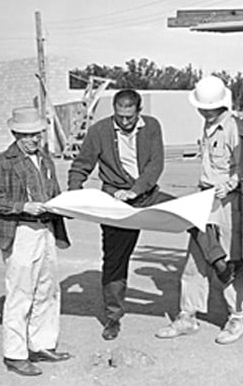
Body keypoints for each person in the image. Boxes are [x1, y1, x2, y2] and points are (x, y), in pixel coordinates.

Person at [67, 89, 173, 341]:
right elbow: (81, 165)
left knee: (195, 216)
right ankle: (113, 318)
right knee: (116, 260)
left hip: (146, 193)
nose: (124, 122)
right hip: (115, 201)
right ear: (114, 111)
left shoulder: (152, 126)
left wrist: (135, 190)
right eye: (119, 116)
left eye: (129, 116)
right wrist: (74, 193)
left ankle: (220, 264)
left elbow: (155, 164)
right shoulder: (99, 131)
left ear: (139, 111)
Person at [155, 76, 243, 345]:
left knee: (228, 261)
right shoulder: (207, 126)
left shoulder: (234, 128)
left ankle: (236, 318)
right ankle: (188, 316)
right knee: (196, 258)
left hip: (229, 201)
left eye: (207, 109)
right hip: (205, 196)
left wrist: (230, 184)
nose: (203, 112)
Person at [0, 106, 72, 376]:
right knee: (20, 294)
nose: (34, 139)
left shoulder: (45, 159)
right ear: (15, 133)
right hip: (21, 231)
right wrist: (24, 206)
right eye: (28, 135)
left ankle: (42, 344)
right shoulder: (2, 162)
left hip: (46, 229)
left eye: (38, 134)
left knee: (47, 290)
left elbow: (54, 193)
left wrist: (67, 206)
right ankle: (15, 354)